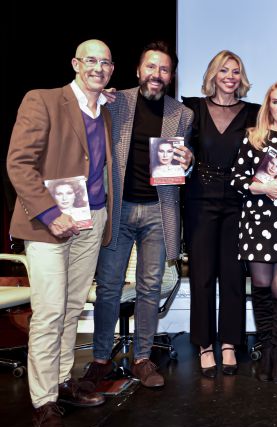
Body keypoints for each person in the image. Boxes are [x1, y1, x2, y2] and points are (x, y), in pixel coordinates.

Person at [6, 39, 115, 427]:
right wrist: (52, 215)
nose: (98, 68)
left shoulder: (105, 110)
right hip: (49, 225)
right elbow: (19, 163)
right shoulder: (43, 100)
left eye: (105, 63)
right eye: (91, 60)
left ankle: (64, 381)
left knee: (71, 308)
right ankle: (43, 403)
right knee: (50, 312)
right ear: (75, 63)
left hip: (91, 220)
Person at [82, 41, 194, 389]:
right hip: (118, 209)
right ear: (138, 70)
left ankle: (142, 359)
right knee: (109, 288)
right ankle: (100, 359)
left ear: (171, 76)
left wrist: (187, 163)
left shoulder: (183, 115)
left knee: (149, 288)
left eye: (163, 70)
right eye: (151, 67)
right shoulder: (115, 102)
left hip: (158, 213)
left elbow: (179, 168)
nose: (156, 75)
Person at [181, 50, 260, 378]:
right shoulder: (191, 109)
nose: (230, 76)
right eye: (224, 70)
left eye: (236, 71)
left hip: (238, 203)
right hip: (199, 201)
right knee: (201, 276)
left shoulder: (255, 113)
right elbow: (174, 142)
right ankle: (204, 344)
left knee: (232, 276)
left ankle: (229, 342)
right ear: (213, 74)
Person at [231, 80, 277, 384]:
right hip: (257, 220)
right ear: (268, 106)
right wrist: (263, 187)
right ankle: (265, 348)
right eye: (276, 101)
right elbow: (237, 180)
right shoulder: (254, 139)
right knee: (262, 287)